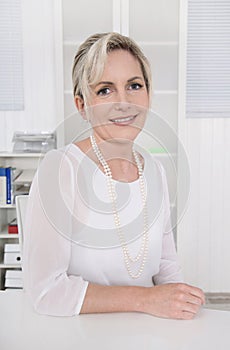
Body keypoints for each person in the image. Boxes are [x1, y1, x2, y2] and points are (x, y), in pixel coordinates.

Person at [23, 32, 205, 319]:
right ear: (82, 105)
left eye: (134, 85)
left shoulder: (154, 169)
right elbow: (46, 291)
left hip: (149, 333)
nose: (123, 102)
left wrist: (180, 302)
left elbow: (167, 265)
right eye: (105, 90)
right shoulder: (60, 169)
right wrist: (147, 300)